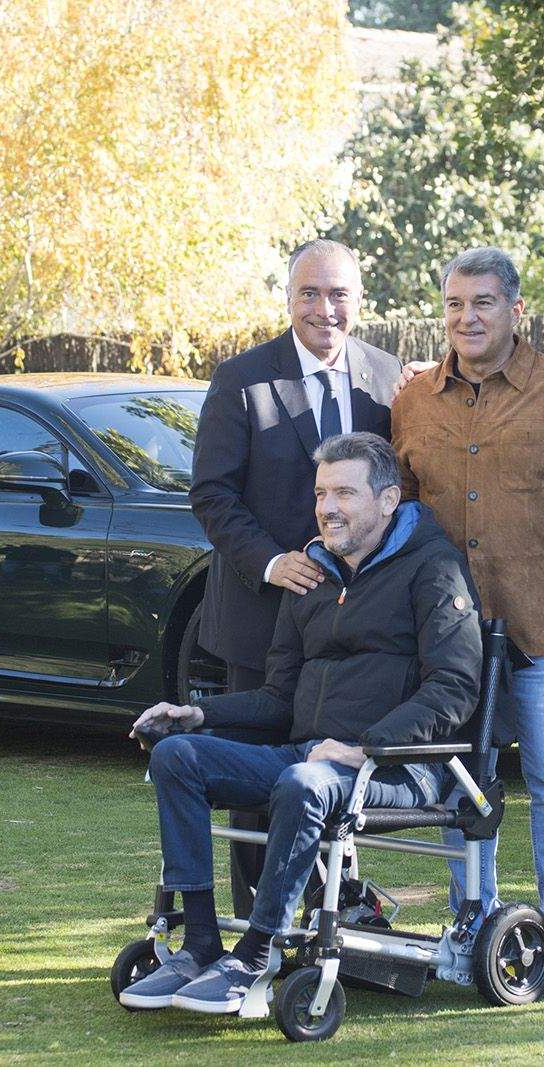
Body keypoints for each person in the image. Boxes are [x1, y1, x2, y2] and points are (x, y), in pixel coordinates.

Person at [120, 432, 482, 1014]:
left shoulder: (435, 569)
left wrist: (366, 747)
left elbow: (454, 688)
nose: (328, 507)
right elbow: (277, 700)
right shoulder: (312, 574)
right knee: (177, 756)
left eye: (345, 492)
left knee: (303, 781)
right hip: (309, 758)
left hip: (401, 768)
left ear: (388, 500)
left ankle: (257, 953)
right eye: (320, 494)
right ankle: (200, 944)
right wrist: (199, 714)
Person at [391, 247, 544, 987]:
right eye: (455, 304)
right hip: (451, 640)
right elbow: (396, 519)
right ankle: (477, 921)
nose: (467, 318)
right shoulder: (413, 399)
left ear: (516, 310)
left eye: (483, 303)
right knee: (469, 783)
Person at [188, 239, 403, 909]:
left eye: (338, 294)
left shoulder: (387, 379)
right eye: (309, 293)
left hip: (352, 630)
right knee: (255, 778)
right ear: (288, 298)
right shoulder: (241, 380)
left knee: (333, 768)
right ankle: (258, 926)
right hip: (260, 623)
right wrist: (271, 563)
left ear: (359, 301)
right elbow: (212, 495)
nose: (324, 308)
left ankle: (331, 910)